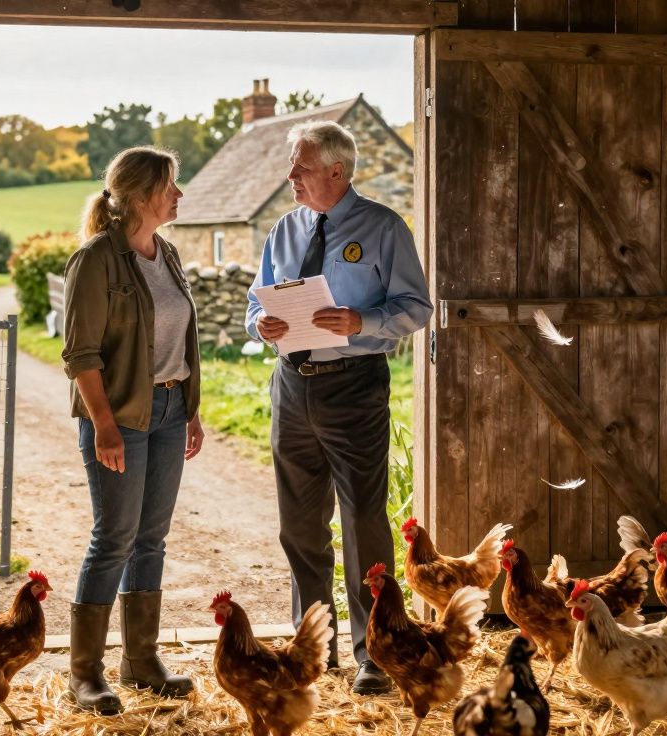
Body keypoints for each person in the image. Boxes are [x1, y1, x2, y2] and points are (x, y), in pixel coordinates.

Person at [244, 121, 433, 694]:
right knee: (299, 526)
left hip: (355, 386)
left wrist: (362, 322)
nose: (290, 177)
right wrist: (263, 325)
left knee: (363, 522)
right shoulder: (284, 228)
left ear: (336, 170)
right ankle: (313, 650)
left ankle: (375, 652)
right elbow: (257, 303)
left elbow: (416, 306)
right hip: (292, 386)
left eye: (299, 167)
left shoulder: (382, 227)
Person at [61, 146, 204, 714]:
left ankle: (140, 660)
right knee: (113, 539)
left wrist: (189, 410)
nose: (179, 194)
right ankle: (85, 674)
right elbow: (80, 354)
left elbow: (177, 341)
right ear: (144, 194)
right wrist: (104, 427)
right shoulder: (96, 259)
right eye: (172, 185)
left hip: (170, 413)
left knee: (153, 538)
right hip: (119, 419)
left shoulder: (165, 253)